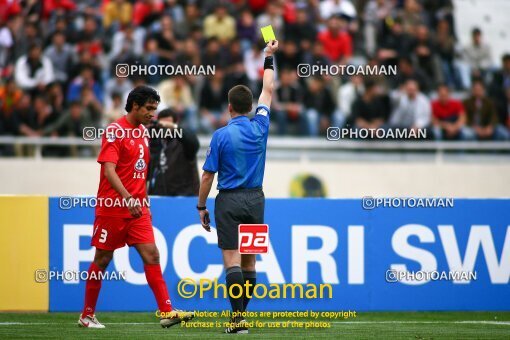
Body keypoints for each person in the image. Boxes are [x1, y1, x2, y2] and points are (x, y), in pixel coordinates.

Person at [78, 86, 194, 329]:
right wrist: (127, 197)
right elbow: (109, 169)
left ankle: (167, 311)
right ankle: (86, 315)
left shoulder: (143, 132)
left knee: (152, 254)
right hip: (113, 207)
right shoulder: (114, 131)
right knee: (102, 258)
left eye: (155, 108)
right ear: (135, 106)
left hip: (138, 209)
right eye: (149, 109)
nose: (153, 113)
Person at [197, 40, 279, 334]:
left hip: (229, 201)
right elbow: (268, 89)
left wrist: (201, 206)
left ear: (229, 107)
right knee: (249, 264)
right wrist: (268, 56)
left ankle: (237, 319)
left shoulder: (220, 135)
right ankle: (241, 317)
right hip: (256, 200)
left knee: (231, 260)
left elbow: (207, 176)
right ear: (249, 107)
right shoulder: (261, 125)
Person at [148, 108, 200, 196]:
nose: (165, 128)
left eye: (168, 125)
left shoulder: (184, 144)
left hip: (182, 198)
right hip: (159, 198)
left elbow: (194, 143)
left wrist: (174, 127)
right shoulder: (155, 143)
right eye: (162, 125)